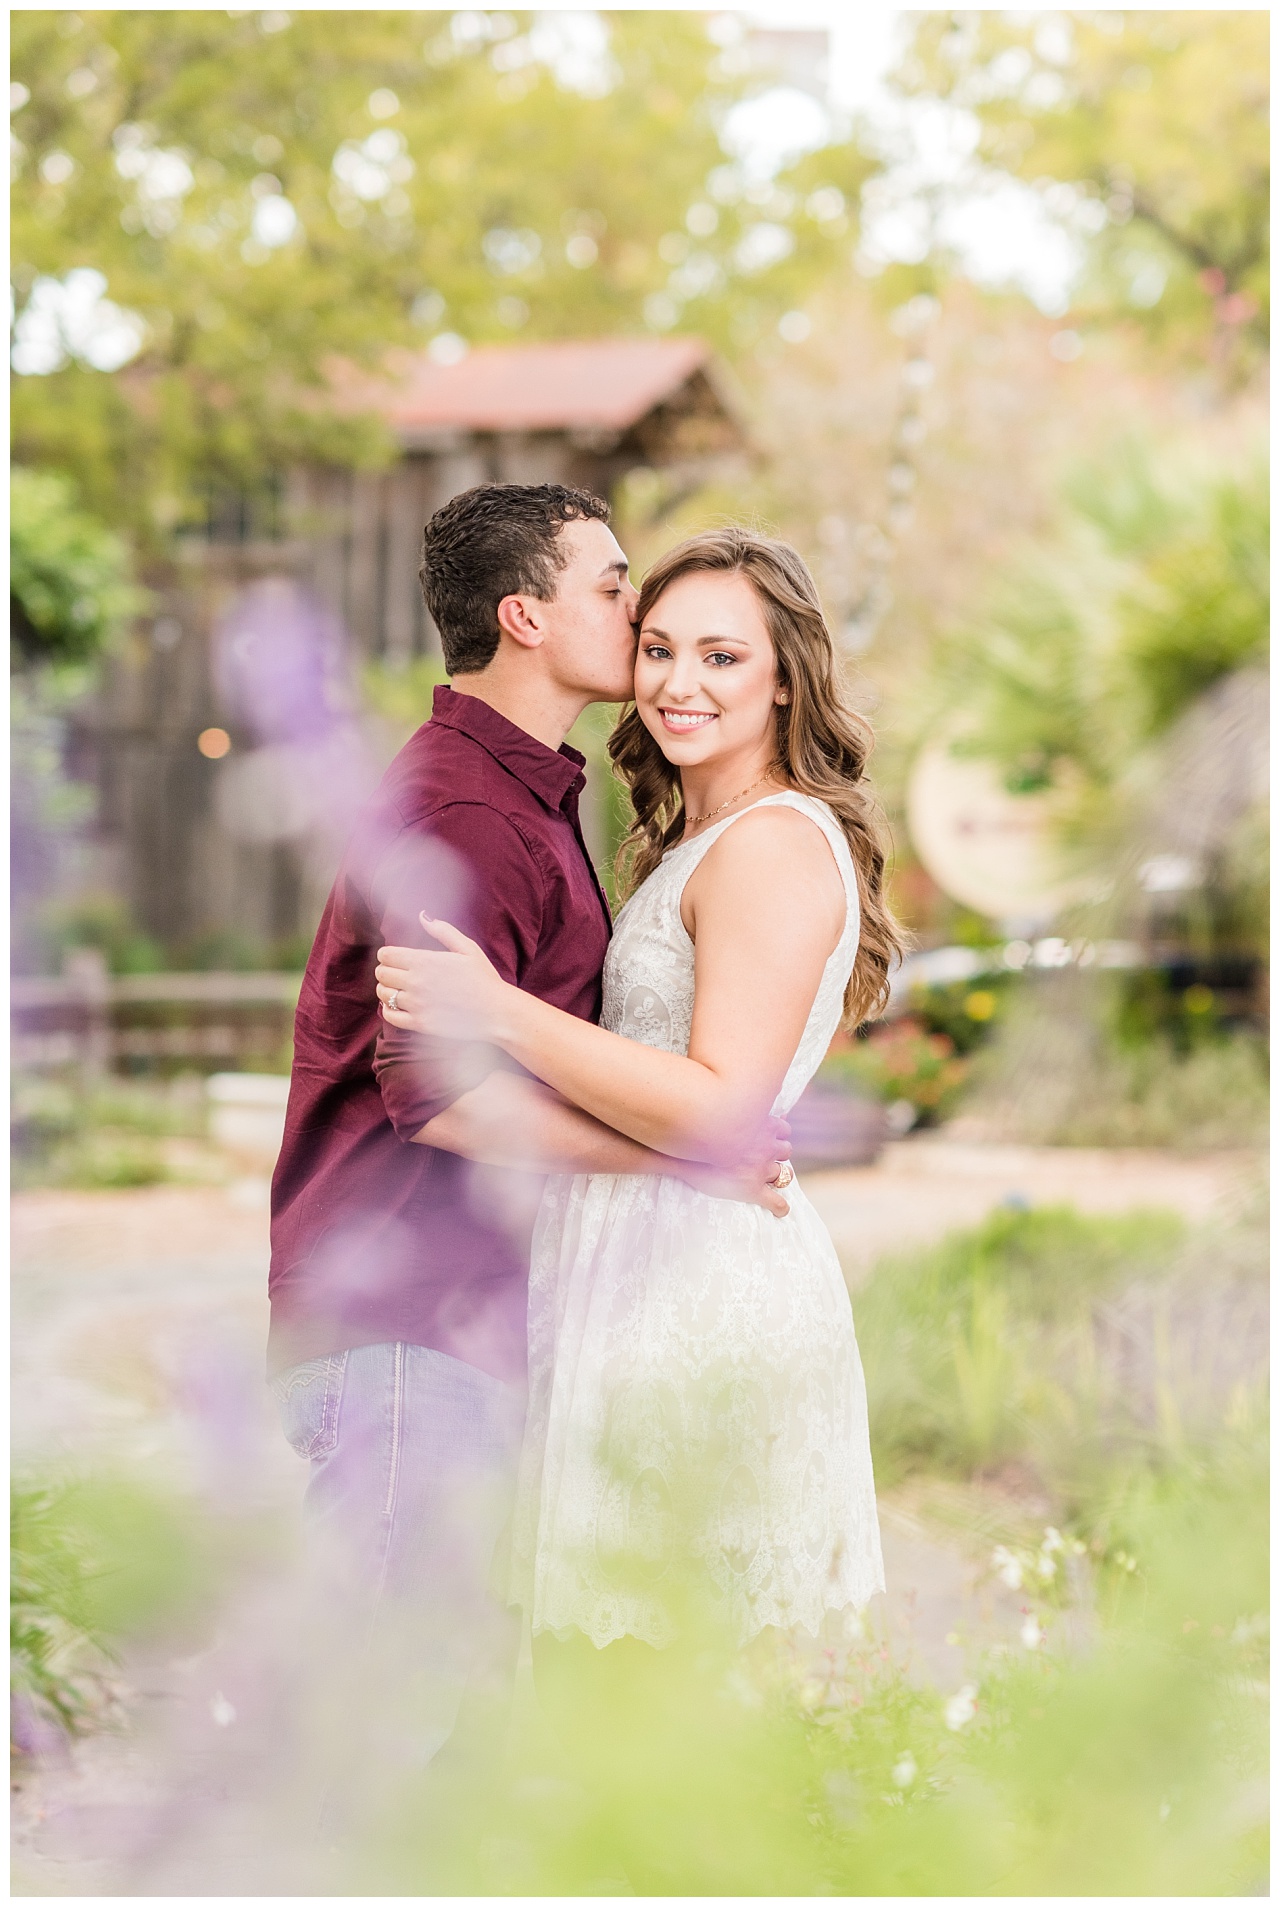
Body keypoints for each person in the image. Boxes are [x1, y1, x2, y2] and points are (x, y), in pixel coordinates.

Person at [267, 486, 787, 1803]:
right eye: (614, 586)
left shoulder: (526, 792)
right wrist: (684, 1159)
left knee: (440, 1728)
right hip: (400, 1329)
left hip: (452, 1326)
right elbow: (441, 1098)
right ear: (527, 615)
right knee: (370, 1731)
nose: (641, 604)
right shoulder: (469, 812)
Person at [375, 528, 899, 1697]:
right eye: (657, 647)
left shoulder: (770, 843)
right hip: (632, 1259)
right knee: (606, 1686)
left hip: (699, 1286)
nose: (677, 682)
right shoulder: (695, 838)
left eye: (721, 656)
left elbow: (721, 1108)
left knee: (661, 1688)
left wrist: (496, 1011)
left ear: (784, 676)